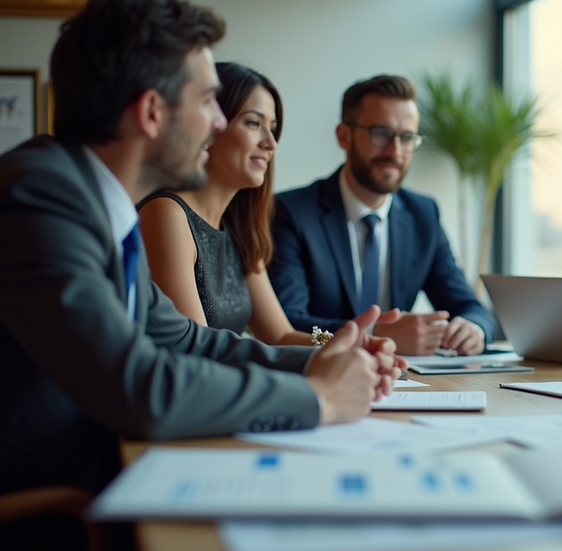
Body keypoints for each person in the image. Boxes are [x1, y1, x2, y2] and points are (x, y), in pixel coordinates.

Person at [0, 0, 401, 500]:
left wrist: (319, 362)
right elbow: (138, 384)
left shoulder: (100, 208)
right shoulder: (40, 197)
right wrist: (318, 398)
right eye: (210, 101)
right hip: (43, 500)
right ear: (151, 112)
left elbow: (188, 341)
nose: (217, 123)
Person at [269, 75, 495, 356]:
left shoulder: (423, 214)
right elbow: (286, 323)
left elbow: (471, 307)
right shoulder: (291, 213)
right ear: (344, 136)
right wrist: (374, 335)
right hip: (319, 375)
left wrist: (474, 329)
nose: (395, 151)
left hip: (403, 382)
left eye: (407, 137)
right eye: (380, 133)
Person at [139, 62, 336, 345]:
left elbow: (280, 335)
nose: (271, 143)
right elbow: (198, 352)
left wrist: (352, 347)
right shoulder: (167, 214)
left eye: (273, 128)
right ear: (209, 126)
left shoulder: (240, 226)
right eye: (254, 123)